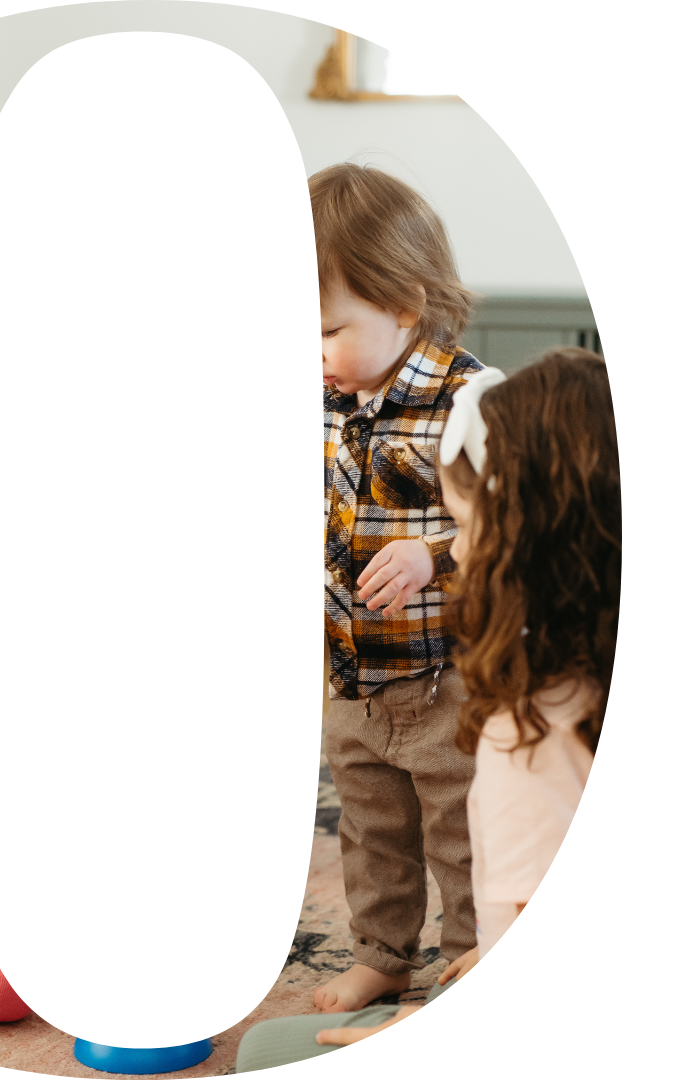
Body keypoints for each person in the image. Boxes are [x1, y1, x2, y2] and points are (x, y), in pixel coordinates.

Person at [233, 347, 622, 1072]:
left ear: (521, 536)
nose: (459, 550)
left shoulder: (529, 721)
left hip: (576, 1029)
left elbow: (562, 967)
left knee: (267, 1055)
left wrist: (498, 969)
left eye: (466, 528)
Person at [313, 161, 485, 1014]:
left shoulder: (468, 399)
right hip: (352, 671)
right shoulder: (324, 399)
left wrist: (433, 557)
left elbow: (513, 523)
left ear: (406, 303)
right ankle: (383, 952)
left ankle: (473, 957)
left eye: (328, 332)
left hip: (447, 676)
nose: (314, 356)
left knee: (459, 827)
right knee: (370, 825)